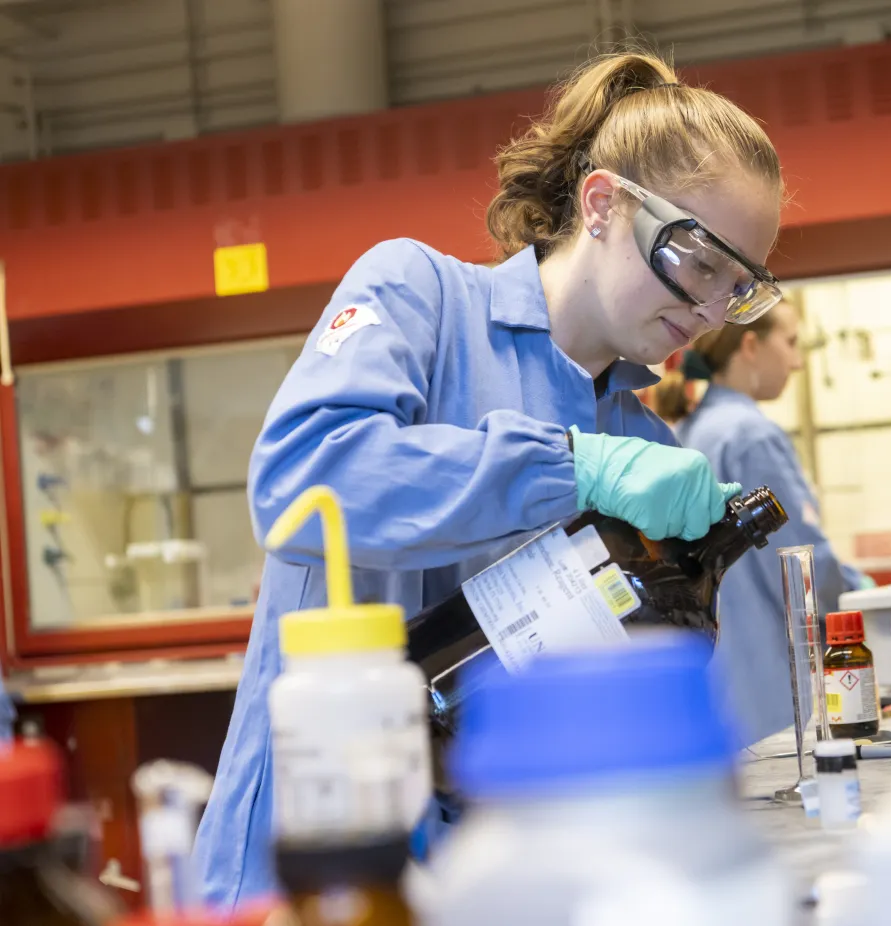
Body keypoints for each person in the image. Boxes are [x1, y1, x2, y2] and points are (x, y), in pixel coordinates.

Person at [192, 50, 786, 910]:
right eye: (697, 259)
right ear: (603, 205)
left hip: (507, 884)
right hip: (314, 873)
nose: (707, 310)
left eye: (740, 289)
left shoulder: (640, 436)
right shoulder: (419, 297)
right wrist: (572, 468)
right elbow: (298, 482)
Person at [655, 302, 870, 747]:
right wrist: (867, 600)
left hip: (723, 685)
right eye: (790, 343)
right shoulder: (749, 435)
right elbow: (803, 567)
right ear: (750, 345)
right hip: (773, 690)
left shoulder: (695, 429)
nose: (796, 361)